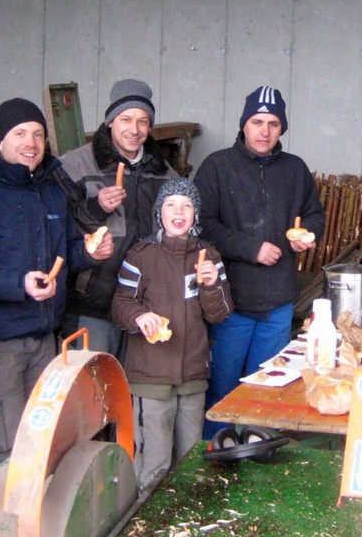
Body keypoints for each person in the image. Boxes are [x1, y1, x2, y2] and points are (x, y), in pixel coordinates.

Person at [0, 97, 112, 467]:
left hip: (45, 338)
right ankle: (7, 507)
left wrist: (89, 252)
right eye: (20, 133)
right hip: (0, 343)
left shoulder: (50, 188)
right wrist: (18, 284)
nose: (31, 143)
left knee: (45, 440)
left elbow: (67, 252)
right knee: (9, 448)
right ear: (0, 140)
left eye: (38, 134)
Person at [195, 85, 324, 437]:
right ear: (244, 124)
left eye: (273, 124)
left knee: (266, 390)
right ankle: (215, 454)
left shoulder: (295, 169)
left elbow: (314, 213)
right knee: (222, 390)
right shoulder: (217, 166)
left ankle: (255, 453)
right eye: (257, 122)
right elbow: (202, 224)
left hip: (278, 302)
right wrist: (251, 248)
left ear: (282, 128)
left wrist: (307, 234)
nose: (264, 131)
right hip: (230, 303)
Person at [111, 178, 232, 502]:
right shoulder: (141, 255)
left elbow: (219, 314)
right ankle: (142, 517)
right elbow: (120, 304)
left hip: (193, 374)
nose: (179, 212)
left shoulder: (209, 257)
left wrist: (211, 286)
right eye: (171, 205)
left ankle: (182, 519)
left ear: (196, 215)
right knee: (155, 461)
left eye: (187, 205)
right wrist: (139, 316)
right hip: (150, 376)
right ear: (159, 213)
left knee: (189, 460)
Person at [55, 78, 177, 356]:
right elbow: (58, 227)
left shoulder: (165, 173)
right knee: (94, 379)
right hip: (93, 303)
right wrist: (96, 207)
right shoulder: (74, 166)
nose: (134, 130)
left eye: (143, 121)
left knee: (135, 381)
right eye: (126, 119)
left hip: (145, 304)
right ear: (110, 121)